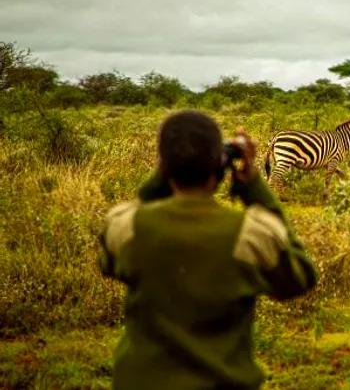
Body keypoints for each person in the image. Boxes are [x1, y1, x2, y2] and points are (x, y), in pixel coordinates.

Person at [98, 110, 318, 390]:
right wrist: (255, 190)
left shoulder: (125, 226)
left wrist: (161, 177)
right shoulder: (251, 232)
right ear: (220, 166)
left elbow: (107, 262)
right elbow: (301, 278)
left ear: (163, 168)